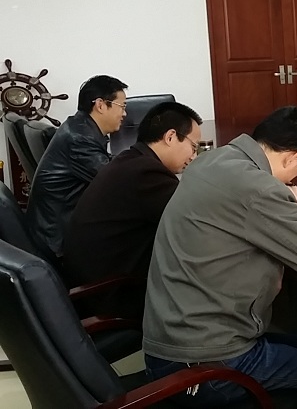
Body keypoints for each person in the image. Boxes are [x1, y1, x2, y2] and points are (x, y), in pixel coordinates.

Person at [143, 106, 297, 408]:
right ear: (294, 157)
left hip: (170, 341)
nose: (294, 179)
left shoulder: (213, 159)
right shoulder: (258, 188)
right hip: (204, 364)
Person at [63, 102, 202, 307]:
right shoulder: (147, 173)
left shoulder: (131, 160)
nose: (194, 156)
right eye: (194, 146)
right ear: (171, 137)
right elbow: (194, 222)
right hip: (112, 296)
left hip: (91, 284)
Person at [26, 75, 128, 257]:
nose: (124, 114)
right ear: (101, 105)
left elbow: (108, 165)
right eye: (122, 106)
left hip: (56, 227)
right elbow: (115, 182)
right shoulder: (80, 138)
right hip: (59, 242)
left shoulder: (79, 127)